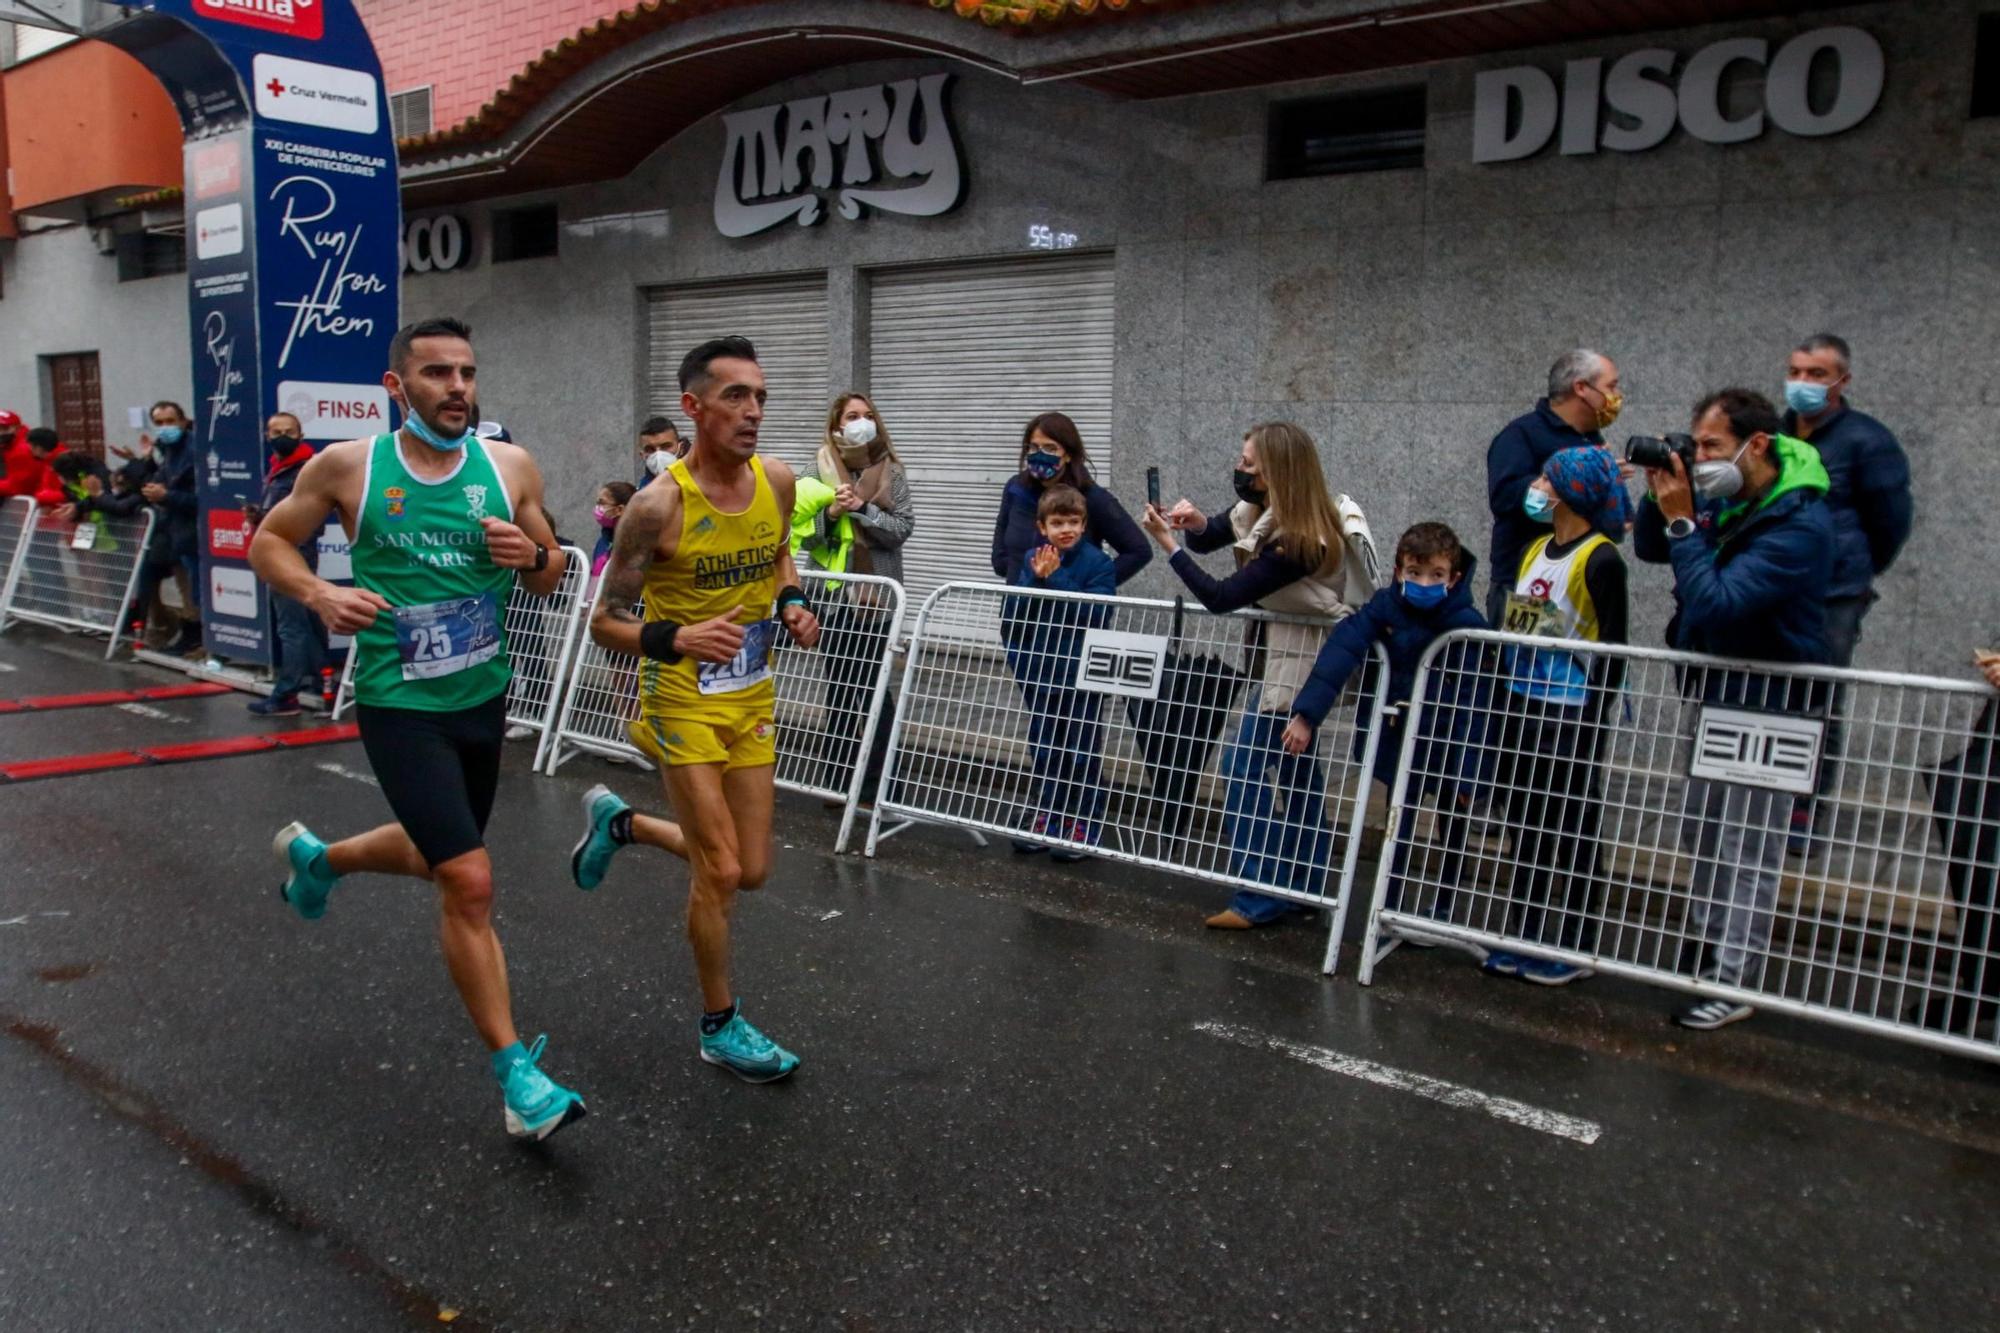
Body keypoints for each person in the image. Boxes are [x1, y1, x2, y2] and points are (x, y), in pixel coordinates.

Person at [247, 317, 587, 1141]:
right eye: (437, 374)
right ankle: (518, 1079)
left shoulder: (508, 466)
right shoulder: (349, 467)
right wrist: (322, 596)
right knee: (469, 879)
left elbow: (550, 575)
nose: (458, 388)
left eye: (467, 372)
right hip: (399, 701)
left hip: (483, 695)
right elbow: (268, 542)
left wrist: (528, 557)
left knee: (446, 849)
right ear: (396, 387)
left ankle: (320, 858)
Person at [568, 336, 822, 1084]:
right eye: (736, 396)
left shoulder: (775, 479)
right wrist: (674, 635)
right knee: (717, 869)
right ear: (694, 407)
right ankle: (720, 1024)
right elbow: (603, 618)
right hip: (680, 696)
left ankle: (625, 823)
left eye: (761, 397)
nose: (753, 411)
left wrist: (795, 602)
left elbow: (778, 556)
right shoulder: (657, 506)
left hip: (750, 693)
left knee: (754, 869)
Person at [1634, 387, 1834, 1032]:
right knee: (1704, 830)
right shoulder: (1736, 501)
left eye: (1713, 447)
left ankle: (1734, 976)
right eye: (1697, 447)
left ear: (1759, 445)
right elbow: (1652, 548)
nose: (1703, 459)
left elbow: (1717, 602)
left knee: (1751, 843)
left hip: (1775, 700)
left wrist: (1686, 519)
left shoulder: (1798, 522)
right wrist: (1661, 494)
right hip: (1723, 692)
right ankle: (1708, 946)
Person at [1142, 421, 1379, 929]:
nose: (1239, 469)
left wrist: (1169, 545)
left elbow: (1223, 597)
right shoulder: (1265, 509)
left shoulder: (1302, 539)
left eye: (1249, 463)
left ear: (1277, 473)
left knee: (1240, 766)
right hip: (1284, 658)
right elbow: (1218, 535)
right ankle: (1304, 885)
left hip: (1304, 664)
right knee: (1296, 774)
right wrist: (1194, 524)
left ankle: (1262, 892)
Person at [1282, 522, 1488, 925]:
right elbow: (1342, 649)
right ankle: (1386, 905)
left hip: (1447, 739)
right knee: (1398, 823)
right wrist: (1307, 714)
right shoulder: (1385, 607)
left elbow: (1476, 704)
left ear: (1454, 578)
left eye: (1436, 575)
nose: (1424, 582)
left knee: (1455, 825)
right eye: (1414, 573)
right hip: (1402, 739)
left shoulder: (1468, 624)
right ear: (1398, 572)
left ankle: (1445, 906)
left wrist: (1469, 775)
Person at [1480, 447, 1630, 986]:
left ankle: (1578, 941)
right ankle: (1523, 928)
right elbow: (1523, 622)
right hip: (1524, 702)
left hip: (1570, 712)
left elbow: (1614, 647)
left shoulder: (1602, 558)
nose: (1537, 486)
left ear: (1568, 489)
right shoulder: (1535, 548)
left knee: (1573, 826)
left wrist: (1595, 719)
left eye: (1546, 477)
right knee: (1525, 822)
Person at [1779, 334, 1911, 668]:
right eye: (1794, 372)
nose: (1801, 382)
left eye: (1816, 374)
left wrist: (1852, 565)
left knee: (1817, 697)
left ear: (1843, 380)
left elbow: (1890, 523)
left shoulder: (1868, 441)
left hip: (1834, 593)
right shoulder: (1772, 435)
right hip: (1773, 581)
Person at [809, 393, 913, 806]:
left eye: (868, 415)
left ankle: (880, 785)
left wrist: (864, 508)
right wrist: (831, 515)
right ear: (837, 425)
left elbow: (902, 527)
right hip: (835, 599)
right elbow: (804, 533)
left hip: (877, 599)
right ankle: (837, 781)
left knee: (873, 689)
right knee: (838, 688)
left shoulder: (892, 471)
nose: (861, 423)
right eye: (852, 416)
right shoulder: (817, 470)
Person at [1002, 484, 1117, 861]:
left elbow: (1097, 613)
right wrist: (1036, 578)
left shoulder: (1098, 564)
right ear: (1042, 526)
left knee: (1082, 750)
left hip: (1082, 676)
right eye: (1057, 522)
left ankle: (1085, 823)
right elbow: (1017, 610)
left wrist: (1056, 579)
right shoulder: (1034, 558)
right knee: (1046, 747)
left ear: (1084, 525)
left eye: (1073, 522)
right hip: (1042, 672)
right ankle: (1050, 815)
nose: (1065, 529)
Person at [1485, 349, 1626, 628]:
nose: (1617, 395)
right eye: (1611, 386)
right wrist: (1566, 482)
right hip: (1531, 585)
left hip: (1586, 582)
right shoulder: (1522, 434)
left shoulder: (1592, 440)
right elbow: (1504, 497)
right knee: (1535, 666)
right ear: (1581, 388)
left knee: (1584, 665)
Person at [991, 412, 1149, 587]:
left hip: (1068, 610)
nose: (1040, 455)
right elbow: (1002, 530)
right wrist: (1011, 569)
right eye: (1034, 447)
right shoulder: (1016, 488)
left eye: (1051, 448)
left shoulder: (1092, 498)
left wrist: (1093, 587)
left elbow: (1138, 551)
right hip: (1019, 607)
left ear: (1068, 454)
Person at [243, 413, 326, 718]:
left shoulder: (305, 470)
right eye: (276, 431)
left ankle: (287, 694)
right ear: (267, 436)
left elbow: (304, 516)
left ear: (301, 434)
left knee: (292, 626)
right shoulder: (279, 470)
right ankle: (320, 682)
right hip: (286, 550)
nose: (282, 437)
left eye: (288, 431)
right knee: (307, 622)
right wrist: (259, 517)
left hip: (290, 554)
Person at [141, 402, 203, 656]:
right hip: (175, 532)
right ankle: (185, 634)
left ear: (183, 421)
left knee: (194, 587)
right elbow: (159, 481)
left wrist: (166, 496)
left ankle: (196, 638)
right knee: (183, 584)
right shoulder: (166, 450)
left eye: (170, 421)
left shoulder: (194, 449)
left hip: (194, 532)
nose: (165, 428)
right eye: (159, 423)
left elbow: (203, 497)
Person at [588, 481, 636, 592]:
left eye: (602, 503)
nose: (598, 508)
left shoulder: (635, 543)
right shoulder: (603, 542)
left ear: (619, 510)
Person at [637, 415, 686, 487]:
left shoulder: (698, 485)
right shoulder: (640, 493)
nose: (658, 454)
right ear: (642, 455)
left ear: (681, 448)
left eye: (665, 446)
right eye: (650, 449)